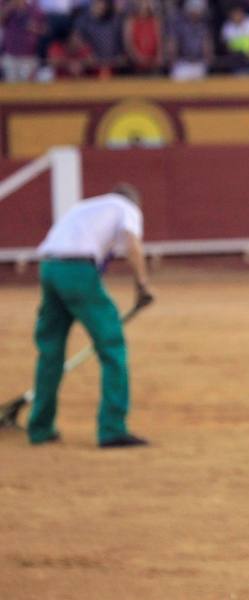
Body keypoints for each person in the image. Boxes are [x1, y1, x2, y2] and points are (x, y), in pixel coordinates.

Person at [28, 184, 154, 448]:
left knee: (50, 351)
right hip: (77, 272)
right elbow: (132, 244)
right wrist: (142, 285)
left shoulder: (84, 206)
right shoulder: (126, 207)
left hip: (49, 269)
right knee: (112, 347)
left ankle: (39, 427)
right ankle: (112, 428)